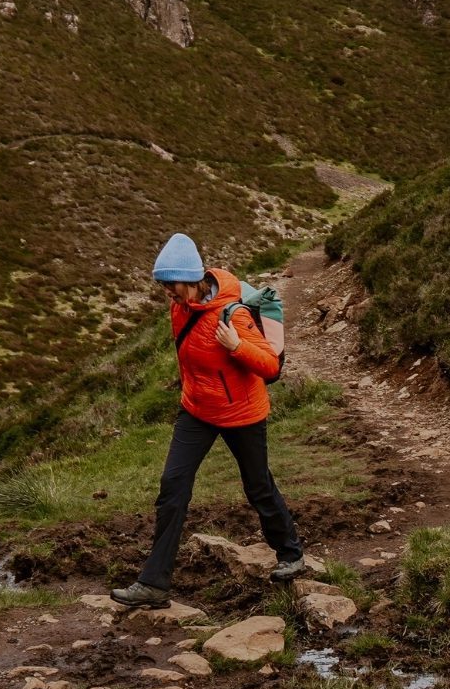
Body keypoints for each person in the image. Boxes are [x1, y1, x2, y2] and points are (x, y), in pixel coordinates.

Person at [111, 232, 306, 608]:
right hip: (197, 411)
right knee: (173, 486)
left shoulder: (234, 314)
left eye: (171, 284)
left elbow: (270, 367)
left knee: (258, 486)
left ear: (190, 279)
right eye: (163, 285)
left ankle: (290, 553)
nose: (167, 292)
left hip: (242, 413)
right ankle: (154, 584)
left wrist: (237, 346)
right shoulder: (180, 309)